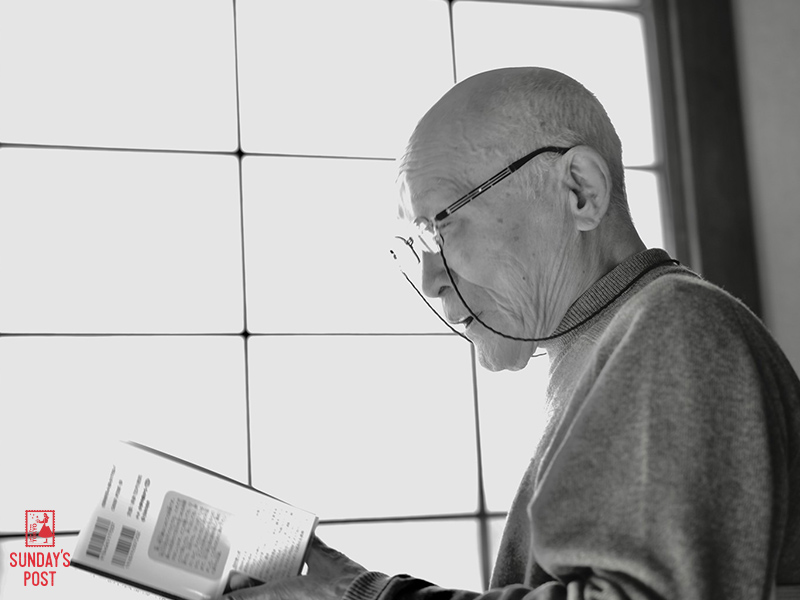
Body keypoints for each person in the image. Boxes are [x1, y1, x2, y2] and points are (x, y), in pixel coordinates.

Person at [222, 67, 800, 600]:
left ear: (580, 191)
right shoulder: (602, 343)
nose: (428, 278)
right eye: (416, 243)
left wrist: (364, 595)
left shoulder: (675, 325)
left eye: (441, 226)